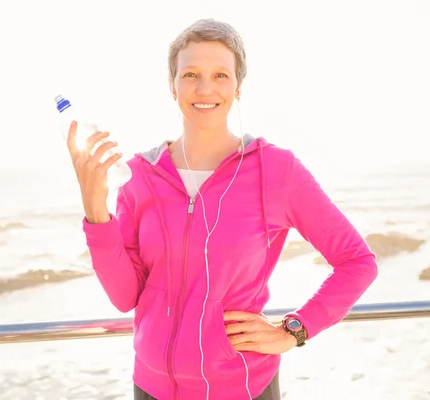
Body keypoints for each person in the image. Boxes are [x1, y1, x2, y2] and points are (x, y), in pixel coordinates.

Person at [65, 18, 378, 400]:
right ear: (172, 85)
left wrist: (295, 330)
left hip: (242, 389)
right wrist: (96, 213)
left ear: (238, 88)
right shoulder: (139, 176)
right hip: (150, 387)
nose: (204, 88)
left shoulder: (275, 170)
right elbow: (125, 296)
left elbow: (357, 261)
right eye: (191, 74)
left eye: (220, 75)